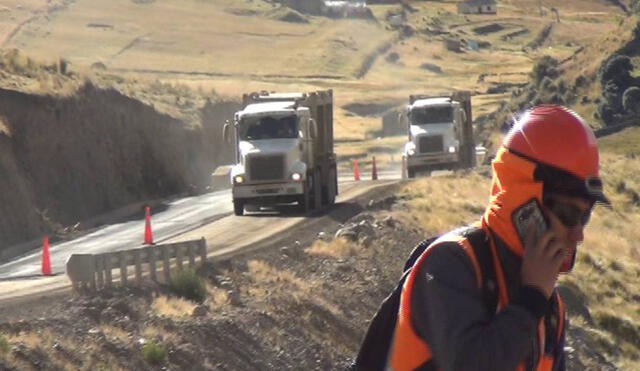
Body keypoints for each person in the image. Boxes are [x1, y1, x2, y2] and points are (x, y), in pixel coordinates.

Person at [381, 105, 609, 371]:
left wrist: (535, 296)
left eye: (585, 217)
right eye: (569, 213)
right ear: (526, 203)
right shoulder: (450, 264)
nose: (578, 234)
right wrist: (531, 299)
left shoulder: (549, 304)